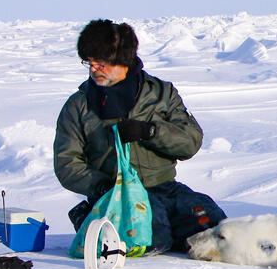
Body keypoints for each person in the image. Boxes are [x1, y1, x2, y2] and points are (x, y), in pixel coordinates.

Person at [54, 19, 225, 254]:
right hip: (114, 194)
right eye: (89, 62)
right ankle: (93, 220)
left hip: (164, 187)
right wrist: (102, 186)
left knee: (214, 226)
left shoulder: (161, 94)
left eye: (101, 63)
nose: (94, 69)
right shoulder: (79, 106)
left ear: (123, 60)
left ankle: (154, 228)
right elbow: (67, 163)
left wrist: (151, 132)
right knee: (152, 237)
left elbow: (190, 142)